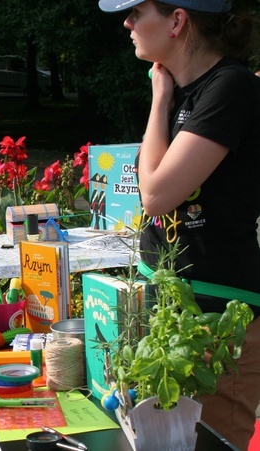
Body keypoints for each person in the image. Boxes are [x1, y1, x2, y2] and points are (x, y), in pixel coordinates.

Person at [99, 0, 260, 448]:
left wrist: (159, 100)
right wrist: (164, 97)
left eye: (136, 11)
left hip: (220, 314)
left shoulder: (231, 88)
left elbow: (155, 196)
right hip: (169, 304)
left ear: (177, 20)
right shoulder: (180, 90)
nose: (127, 23)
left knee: (210, 442)